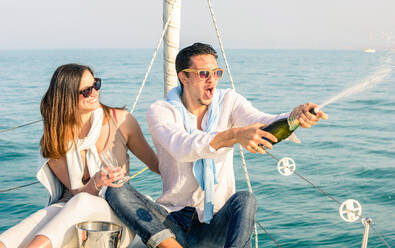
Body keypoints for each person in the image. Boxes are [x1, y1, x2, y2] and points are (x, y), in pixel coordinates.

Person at [105, 43, 328, 247]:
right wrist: (232, 135)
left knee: (245, 199)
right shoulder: (161, 111)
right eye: (204, 74)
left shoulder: (229, 101)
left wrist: (293, 117)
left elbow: (262, 122)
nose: (212, 79)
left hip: (217, 221)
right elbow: (182, 147)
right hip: (173, 221)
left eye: (216, 73)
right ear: (184, 77)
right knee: (116, 191)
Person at [0, 63, 164, 248]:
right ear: (67, 97)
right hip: (71, 207)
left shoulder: (121, 121)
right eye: (86, 91)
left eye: (96, 85)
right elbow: (76, 192)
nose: (95, 93)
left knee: (81, 202)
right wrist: (97, 182)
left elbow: (156, 164)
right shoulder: (56, 136)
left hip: (118, 211)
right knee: (30, 225)